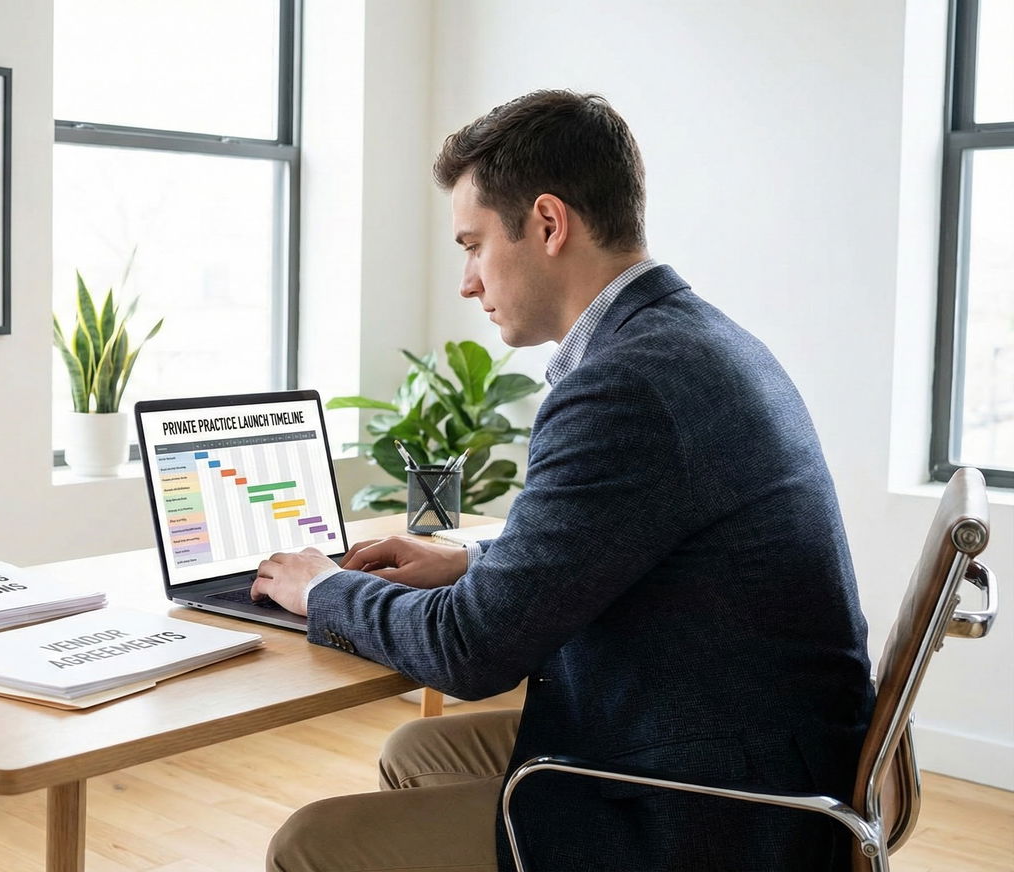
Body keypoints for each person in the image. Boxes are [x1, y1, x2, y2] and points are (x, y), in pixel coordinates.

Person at [251, 90, 875, 872]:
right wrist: (470, 563)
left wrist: (322, 588)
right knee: (418, 749)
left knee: (307, 845)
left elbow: (471, 651)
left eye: (473, 245)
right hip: (760, 746)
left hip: (717, 809)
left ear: (548, 224)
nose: (466, 282)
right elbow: (630, 546)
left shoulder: (626, 386)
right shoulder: (698, 338)